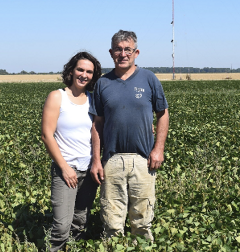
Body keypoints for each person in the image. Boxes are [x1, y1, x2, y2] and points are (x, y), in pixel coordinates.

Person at [90, 30, 169, 242]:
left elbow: (162, 113)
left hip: (143, 159)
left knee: (142, 219)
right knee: (111, 218)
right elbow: (97, 124)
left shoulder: (149, 78)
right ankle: (113, 246)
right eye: (118, 49)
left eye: (128, 49)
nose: (123, 54)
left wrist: (158, 149)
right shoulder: (102, 84)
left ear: (136, 52)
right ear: (111, 52)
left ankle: (141, 246)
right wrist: (96, 160)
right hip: (112, 159)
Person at [41, 51, 102, 252]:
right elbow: (47, 135)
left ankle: (75, 249)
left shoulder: (94, 100)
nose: (84, 75)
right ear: (71, 71)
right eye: (80, 69)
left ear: (94, 76)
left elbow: (106, 127)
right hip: (65, 169)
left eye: (89, 72)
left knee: (80, 221)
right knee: (61, 225)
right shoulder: (57, 96)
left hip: (89, 170)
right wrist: (65, 167)